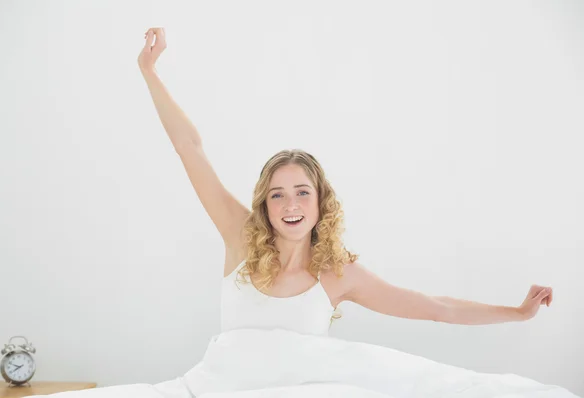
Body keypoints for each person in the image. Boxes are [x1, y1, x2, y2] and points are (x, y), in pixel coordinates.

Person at [138, 27, 554, 338]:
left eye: (302, 192)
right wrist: (149, 70)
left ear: (321, 202)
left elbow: (435, 307)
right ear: (265, 205)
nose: (290, 205)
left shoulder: (338, 275)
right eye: (277, 195)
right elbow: (188, 147)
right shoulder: (240, 237)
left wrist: (516, 313)